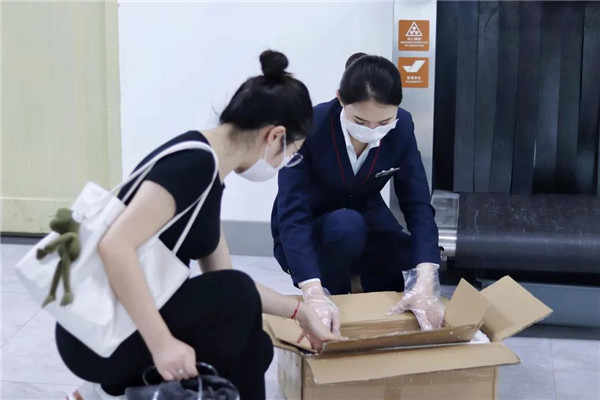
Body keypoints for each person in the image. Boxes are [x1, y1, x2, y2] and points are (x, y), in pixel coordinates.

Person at [59, 50, 342, 400]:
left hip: (121, 319)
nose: (285, 162)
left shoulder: (209, 170)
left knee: (255, 345)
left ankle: (115, 391)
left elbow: (223, 278)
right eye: (292, 152)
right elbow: (115, 246)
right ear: (275, 136)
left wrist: (300, 312)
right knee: (239, 304)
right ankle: (107, 389)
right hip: (96, 335)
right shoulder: (193, 165)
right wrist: (163, 345)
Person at [271, 53, 445, 336]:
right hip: (314, 224)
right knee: (346, 227)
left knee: (410, 258)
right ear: (340, 99)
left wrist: (426, 277)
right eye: (361, 121)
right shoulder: (307, 127)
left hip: (365, 212)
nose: (373, 131)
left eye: (384, 121)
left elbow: (418, 204)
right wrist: (312, 290)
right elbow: (293, 214)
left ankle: (371, 302)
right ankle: (335, 298)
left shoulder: (402, 126)